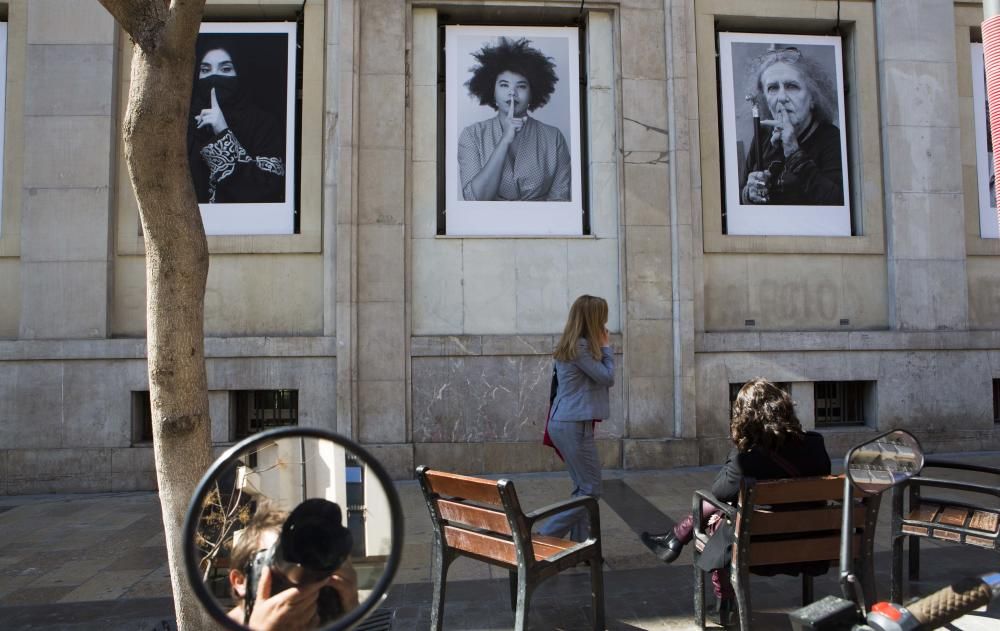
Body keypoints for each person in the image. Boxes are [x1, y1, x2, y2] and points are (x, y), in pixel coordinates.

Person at [639, 378, 831, 624]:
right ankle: (675, 537)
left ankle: (723, 598)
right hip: (811, 545)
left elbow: (718, 491)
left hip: (754, 548)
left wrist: (739, 446)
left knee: (717, 517)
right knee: (733, 510)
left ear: (745, 418)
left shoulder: (746, 460)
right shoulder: (815, 444)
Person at [537, 295, 614, 542]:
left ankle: (581, 545)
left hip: (566, 423)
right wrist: (606, 347)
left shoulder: (572, 346)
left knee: (583, 488)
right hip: (574, 425)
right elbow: (607, 377)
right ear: (593, 320)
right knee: (591, 489)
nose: (605, 323)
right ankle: (545, 536)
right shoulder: (581, 349)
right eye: (602, 317)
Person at [457, 37, 572, 202]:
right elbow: (475, 199)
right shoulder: (471, 136)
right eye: (504, 85)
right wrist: (505, 141)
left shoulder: (553, 138)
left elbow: (560, 200)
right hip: (485, 227)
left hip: (541, 226)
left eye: (521, 86)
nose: (512, 92)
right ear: (493, 91)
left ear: (533, 93)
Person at [740, 46, 844, 206]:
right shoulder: (762, 135)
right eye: (773, 88)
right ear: (765, 100)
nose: (781, 97)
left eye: (791, 86)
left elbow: (837, 203)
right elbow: (738, 200)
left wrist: (793, 151)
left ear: (813, 98)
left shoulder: (831, 138)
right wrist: (749, 193)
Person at [226, 506, 359, 630]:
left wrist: (352, 612)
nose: (299, 575)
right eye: (283, 560)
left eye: (309, 562)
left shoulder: (336, 612)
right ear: (240, 581)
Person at [188, 43, 286, 205]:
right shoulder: (182, 125)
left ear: (241, 72)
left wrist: (222, 132)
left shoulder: (262, 124)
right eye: (205, 70)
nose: (214, 78)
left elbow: (268, 186)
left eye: (225, 69)